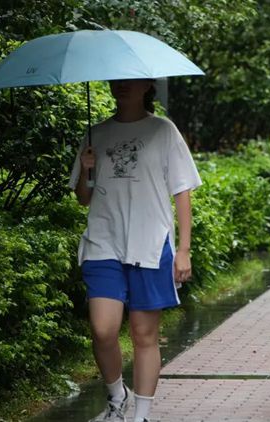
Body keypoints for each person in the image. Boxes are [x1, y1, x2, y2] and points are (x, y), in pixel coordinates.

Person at [69, 79, 202, 421]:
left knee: (145, 335)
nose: (122, 86)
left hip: (150, 243)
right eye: (117, 81)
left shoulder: (164, 131)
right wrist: (86, 171)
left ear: (147, 86)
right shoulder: (95, 133)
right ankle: (117, 395)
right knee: (102, 329)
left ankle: (141, 414)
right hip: (104, 242)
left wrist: (184, 249)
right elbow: (84, 198)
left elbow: (182, 191)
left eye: (131, 81)